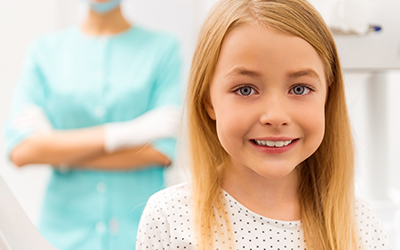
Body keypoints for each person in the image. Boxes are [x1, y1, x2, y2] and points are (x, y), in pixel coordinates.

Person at [136, 0, 393, 249]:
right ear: (208, 101)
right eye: (246, 90)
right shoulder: (171, 217)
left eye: (300, 88)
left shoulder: (360, 224)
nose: (275, 115)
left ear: (327, 96)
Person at [4, 0, 182, 249]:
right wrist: (129, 133)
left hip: (140, 234)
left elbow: (163, 150)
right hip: (60, 238)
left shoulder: (164, 49)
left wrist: (57, 147)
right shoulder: (44, 51)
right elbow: (21, 150)